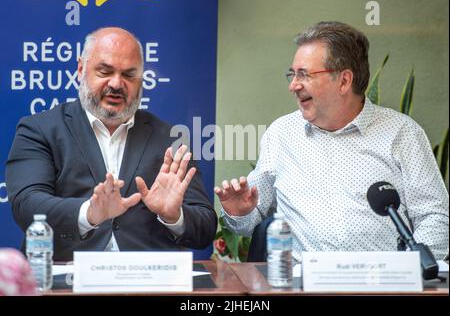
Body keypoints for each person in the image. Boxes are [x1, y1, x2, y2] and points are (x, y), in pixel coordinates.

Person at [214, 21, 449, 262]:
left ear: (344, 80)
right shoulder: (281, 134)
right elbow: (247, 222)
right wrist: (240, 211)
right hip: (302, 287)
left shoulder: (402, 134)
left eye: (304, 74)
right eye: (292, 74)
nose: (293, 85)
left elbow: (435, 218)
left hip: (383, 285)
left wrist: (410, 272)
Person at [6, 27, 217, 261]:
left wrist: (174, 216)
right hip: (68, 276)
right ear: (81, 69)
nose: (116, 84)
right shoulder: (39, 129)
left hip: (148, 280)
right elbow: (27, 205)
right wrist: (89, 213)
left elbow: (205, 229)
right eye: (105, 71)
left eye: (129, 75)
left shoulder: (171, 138)